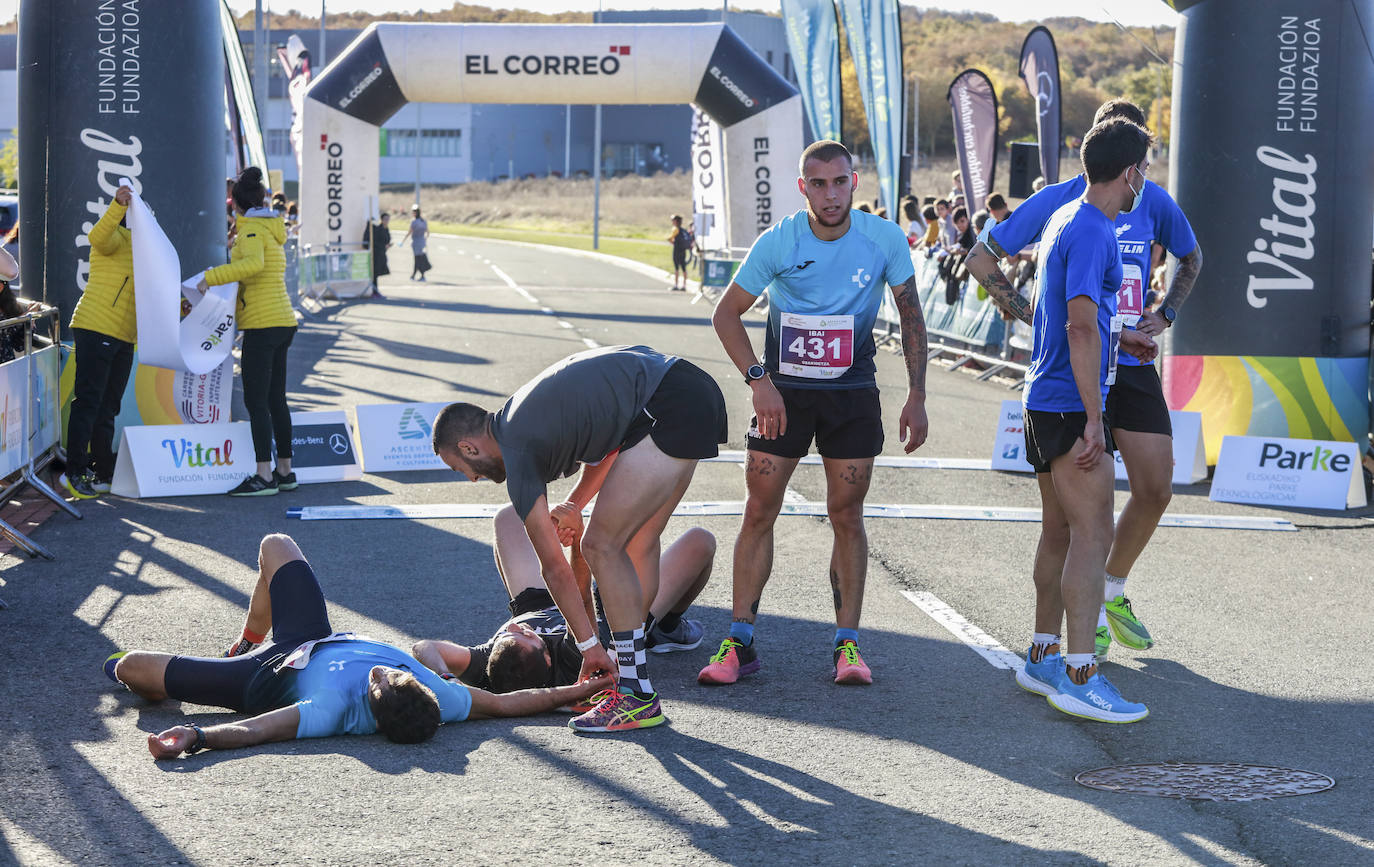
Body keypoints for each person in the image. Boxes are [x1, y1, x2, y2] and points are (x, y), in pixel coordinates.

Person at [967, 99, 1204, 660]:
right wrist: (1033, 315)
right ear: (1120, 163)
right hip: (1076, 371)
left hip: (1128, 360)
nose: (1140, 181)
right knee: (1076, 524)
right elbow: (982, 259)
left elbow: (1192, 259)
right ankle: (1072, 656)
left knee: (1155, 488)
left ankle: (1105, 594)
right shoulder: (1066, 205)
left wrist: (1163, 315)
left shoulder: (1149, 201)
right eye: (1138, 164)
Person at [700, 139, 929, 688]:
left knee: (847, 514)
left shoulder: (884, 240)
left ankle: (847, 645)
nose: (831, 194)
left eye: (840, 182)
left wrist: (917, 395)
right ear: (803, 187)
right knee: (759, 510)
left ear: (855, 183)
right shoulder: (780, 240)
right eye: (818, 184)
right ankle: (739, 640)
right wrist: (760, 382)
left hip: (851, 394)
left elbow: (912, 317)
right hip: (785, 396)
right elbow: (726, 314)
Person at [430, 344, 728, 733]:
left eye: (461, 468)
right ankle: (634, 681)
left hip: (667, 405)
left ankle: (636, 696)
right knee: (637, 540)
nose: (471, 478)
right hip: (680, 391)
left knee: (601, 546)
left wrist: (589, 647)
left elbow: (553, 567)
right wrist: (575, 504)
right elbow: (611, 444)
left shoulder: (518, 451)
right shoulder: (522, 419)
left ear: (469, 447)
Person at [106, 533, 613, 760]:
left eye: (377, 682)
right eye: (392, 674)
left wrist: (195, 736)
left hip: (261, 678)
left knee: (132, 666)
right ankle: (247, 637)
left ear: (371, 704)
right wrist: (575, 690)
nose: (379, 671)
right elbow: (507, 704)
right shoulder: (447, 699)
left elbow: (255, 729)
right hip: (315, 636)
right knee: (277, 546)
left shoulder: (328, 711)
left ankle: (234, 658)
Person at [1013, 119, 1160, 723]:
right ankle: (1080, 673)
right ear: (1128, 172)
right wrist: (1096, 419)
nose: (1142, 184)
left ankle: (1045, 655)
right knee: (1093, 534)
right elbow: (1077, 324)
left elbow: (1074, 316)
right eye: (1143, 172)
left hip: (1042, 395)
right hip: (1070, 401)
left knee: (1059, 531)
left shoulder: (1064, 217)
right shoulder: (1097, 228)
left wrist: (1120, 332)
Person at [411, 504, 715, 694]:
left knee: (509, 516)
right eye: (525, 636)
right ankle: (667, 626)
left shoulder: (488, 666)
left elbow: (425, 647)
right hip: (611, 616)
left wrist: (445, 680)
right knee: (700, 542)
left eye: (507, 637)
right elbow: (579, 592)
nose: (512, 629)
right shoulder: (575, 659)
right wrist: (578, 536)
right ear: (546, 657)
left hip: (538, 603)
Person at [199, 166, 297, 497]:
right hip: (283, 319)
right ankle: (285, 472)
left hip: (262, 322)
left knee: (257, 401)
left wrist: (210, 277)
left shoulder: (252, 230)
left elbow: (252, 265)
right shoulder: (271, 226)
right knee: (276, 399)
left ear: (236, 206)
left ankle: (263, 476)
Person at [60, 185, 137, 499]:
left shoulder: (145, 250)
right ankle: (74, 472)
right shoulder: (115, 237)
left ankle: (101, 471)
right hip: (96, 327)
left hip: (124, 336)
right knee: (90, 402)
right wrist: (117, 205)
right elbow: (97, 237)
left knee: (109, 407)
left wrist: (181, 308)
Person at [362, 212, 391, 300]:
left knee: (377, 273)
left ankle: (375, 291)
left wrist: (387, 246)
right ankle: (374, 291)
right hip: (377, 254)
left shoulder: (386, 229)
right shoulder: (378, 229)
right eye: (385, 219)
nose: (387, 221)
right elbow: (376, 242)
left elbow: (386, 240)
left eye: (388, 219)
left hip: (382, 254)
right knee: (374, 273)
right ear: (382, 220)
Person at [667, 214, 699, 291]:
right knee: (684, 268)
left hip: (677, 251)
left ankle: (676, 284)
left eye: (673, 220)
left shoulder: (675, 229)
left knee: (676, 268)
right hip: (683, 251)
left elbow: (670, 238)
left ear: (676, 221)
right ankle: (684, 285)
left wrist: (672, 242)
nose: (672, 222)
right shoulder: (684, 230)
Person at [402, 205, 430, 281]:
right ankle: (415, 275)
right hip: (422, 242)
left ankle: (420, 275)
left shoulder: (414, 222)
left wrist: (403, 241)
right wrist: (424, 240)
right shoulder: (423, 221)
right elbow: (428, 233)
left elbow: (409, 232)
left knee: (417, 259)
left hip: (416, 242)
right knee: (419, 259)